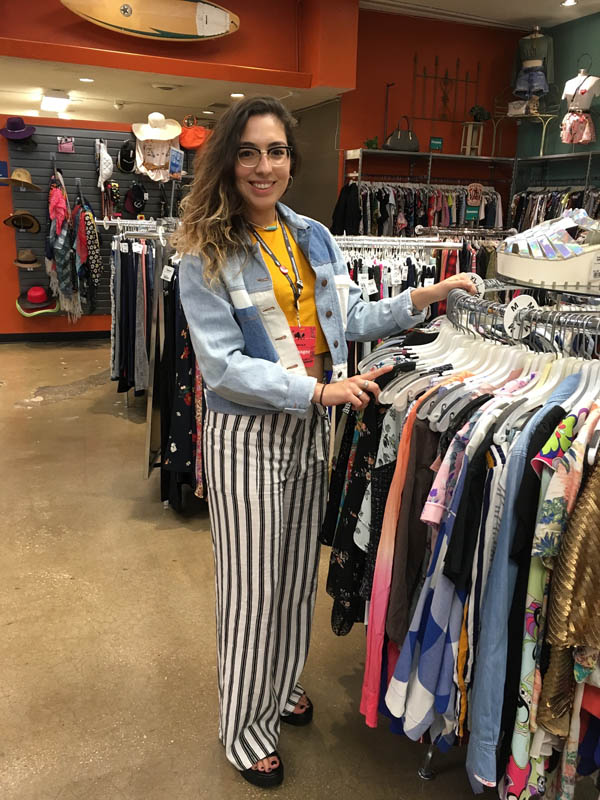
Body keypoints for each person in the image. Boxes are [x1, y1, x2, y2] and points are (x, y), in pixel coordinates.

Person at [175, 96, 475, 788]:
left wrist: (427, 296)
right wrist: (315, 392)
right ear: (227, 161)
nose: (263, 166)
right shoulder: (205, 250)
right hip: (250, 433)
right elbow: (221, 364)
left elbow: (351, 318)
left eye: (275, 151)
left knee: (289, 583)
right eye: (248, 152)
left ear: (291, 160)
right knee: (251, 589)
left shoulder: (312, 236)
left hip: (312, 428)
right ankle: (243, 727)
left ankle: (277, 688)